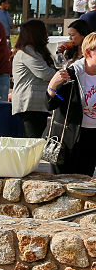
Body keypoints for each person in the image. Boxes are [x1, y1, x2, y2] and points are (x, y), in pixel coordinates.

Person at [46, 33, 96, 176]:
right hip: (67, 138)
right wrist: (52, 86)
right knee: (61, 184)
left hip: (91, 137)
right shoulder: (71, 74)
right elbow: (51, 104)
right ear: (88, 52)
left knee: (84, 185)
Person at [11, 19, 58, 138]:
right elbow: (45, 73)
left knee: (35, 140)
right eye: (44, 31)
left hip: (36, 103)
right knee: (33, 141)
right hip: (30, 103)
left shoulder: (34, 51)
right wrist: (59, 75)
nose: (47, 35)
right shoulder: (27, 52)